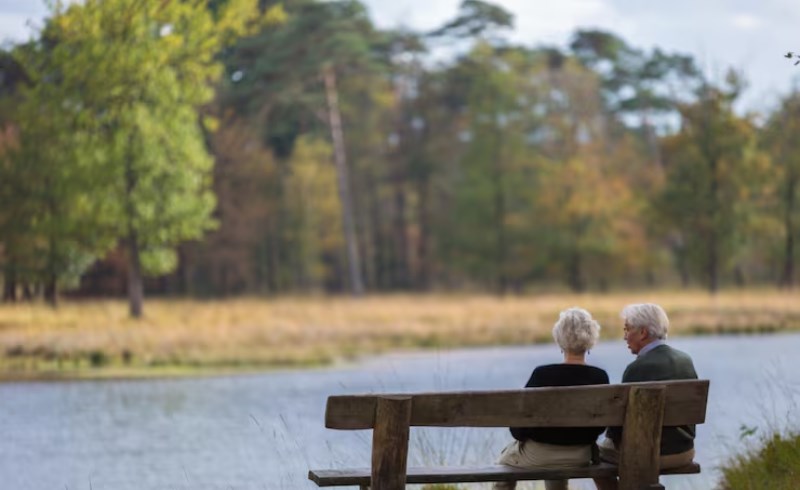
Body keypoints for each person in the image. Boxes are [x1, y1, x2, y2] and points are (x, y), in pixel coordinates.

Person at [493, 307, 609, 490]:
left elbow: (519, 425)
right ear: (591, 340)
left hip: (538, 456)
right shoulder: (600, 377)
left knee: (505, 462)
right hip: (581, 455)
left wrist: (524, 437)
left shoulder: (542, 375)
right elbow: (601, 425)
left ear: (559, 339)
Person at [594, 303, 698, 490]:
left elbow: (617, 428)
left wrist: (610, 439)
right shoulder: (685, 360)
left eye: (627, 329)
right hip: (684, 451)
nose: (625, 336)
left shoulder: (637, 369)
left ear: (642, 333)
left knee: (593, 456)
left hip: (648, 455)